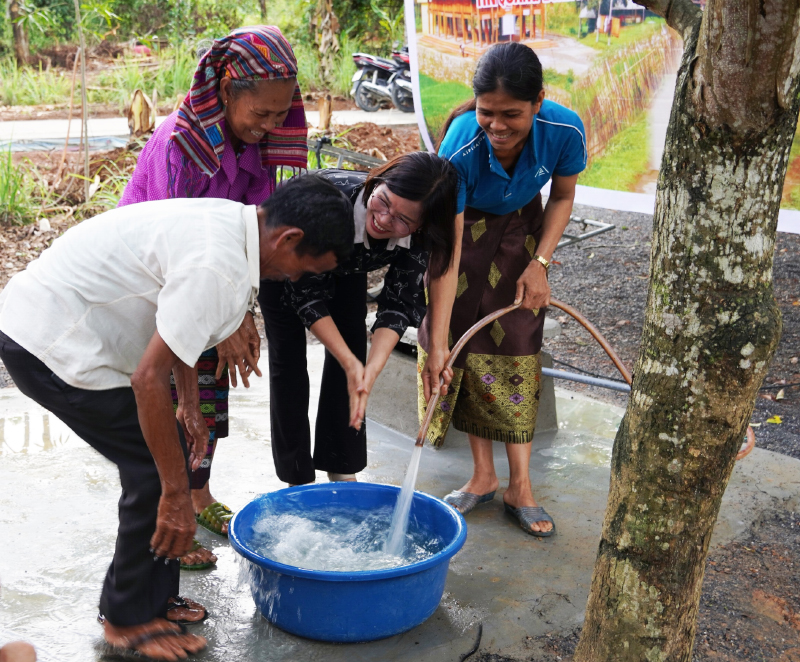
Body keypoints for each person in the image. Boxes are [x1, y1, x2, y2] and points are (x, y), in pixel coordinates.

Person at [0, 176, 353, 661]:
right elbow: (149, 379)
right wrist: (174, 494)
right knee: (155, 472)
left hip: (67, 323)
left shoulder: (236, 226)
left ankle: (154, 599)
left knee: (172, 462)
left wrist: (188, 403)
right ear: (288, 238)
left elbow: (181, 326)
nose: (293, 280)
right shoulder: (220, 266)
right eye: (302, 268)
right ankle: (127, 618)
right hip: (48, 339)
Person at [119, 25, 308, 568]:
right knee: (166, 392)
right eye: (263, 114)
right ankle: (167, 504)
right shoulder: (181, 146)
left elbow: (253, 234)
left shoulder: (258, 146)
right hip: (155, 278)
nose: (272, 126)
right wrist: (226, 321)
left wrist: (238, 312)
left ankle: (197, 494)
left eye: (281, 114)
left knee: (208, 389)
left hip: (208, 276)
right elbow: (180, 252)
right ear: (226, 92)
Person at [419, 42, 587, 537]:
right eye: (486, 113)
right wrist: (439, 340)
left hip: (522, 230)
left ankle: (521, 485)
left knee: (517, 345)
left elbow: (562, 194)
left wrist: (540, 263)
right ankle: (483, 475)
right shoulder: (460, 148)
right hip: (462, 235)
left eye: (511, 114)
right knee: (466, 348)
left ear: (538, 101)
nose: (496, 126)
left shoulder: (563, 129)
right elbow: (446, 258)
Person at [260, 153, 459, 486]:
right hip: (285, 265)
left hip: (349, 266)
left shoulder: (422, 233)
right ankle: (296, 477)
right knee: (289, 363)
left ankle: (341, 463)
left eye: (401, 220)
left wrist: (368, 369)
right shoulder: (332, 201)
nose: (383, 219)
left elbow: (398, 304)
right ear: (378, 180)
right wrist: (351, 364)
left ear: (422, 225)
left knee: (353, 349)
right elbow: (305, 294)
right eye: (382, 202)